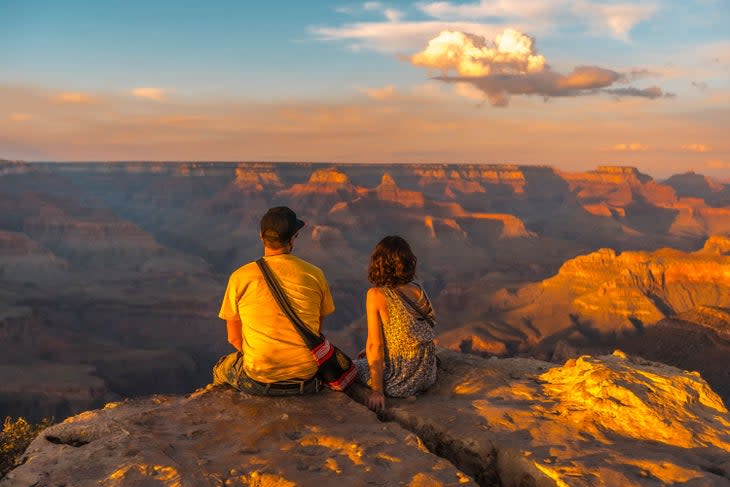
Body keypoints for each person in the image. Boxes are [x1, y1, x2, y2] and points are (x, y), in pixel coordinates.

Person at [212, 206, 335, 395]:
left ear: (261, 236)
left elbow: (234, 338)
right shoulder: (315, 274)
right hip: (306, 378)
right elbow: (316, 329)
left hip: (259, 380)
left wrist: (262, 357)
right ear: (294, 237)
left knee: (222, 367)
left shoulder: (240, 277)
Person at [354, 235, 437, 412]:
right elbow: (411, 328)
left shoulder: (376, 295)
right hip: (428, 374)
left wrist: (377, 392)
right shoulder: (417, 288)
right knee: (365, 358)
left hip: (400, 381)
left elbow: (375, 345)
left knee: (349, 367)